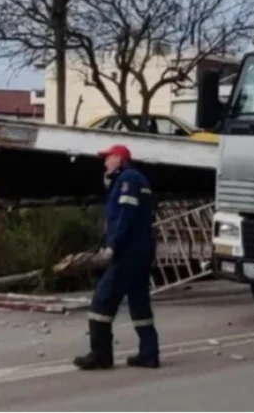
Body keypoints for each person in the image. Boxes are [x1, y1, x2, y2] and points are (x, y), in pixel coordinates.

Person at [74, 144, 160, 370]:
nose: (105, 163)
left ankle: (101, 354)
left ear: (120, 159)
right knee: (139, 302)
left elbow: (126, 217)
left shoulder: (128, 180)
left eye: (108, 159)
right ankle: (149, 353)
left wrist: (113, 246)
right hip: (141, 250)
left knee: (102, 300)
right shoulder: (136, 179)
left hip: (128, 252)